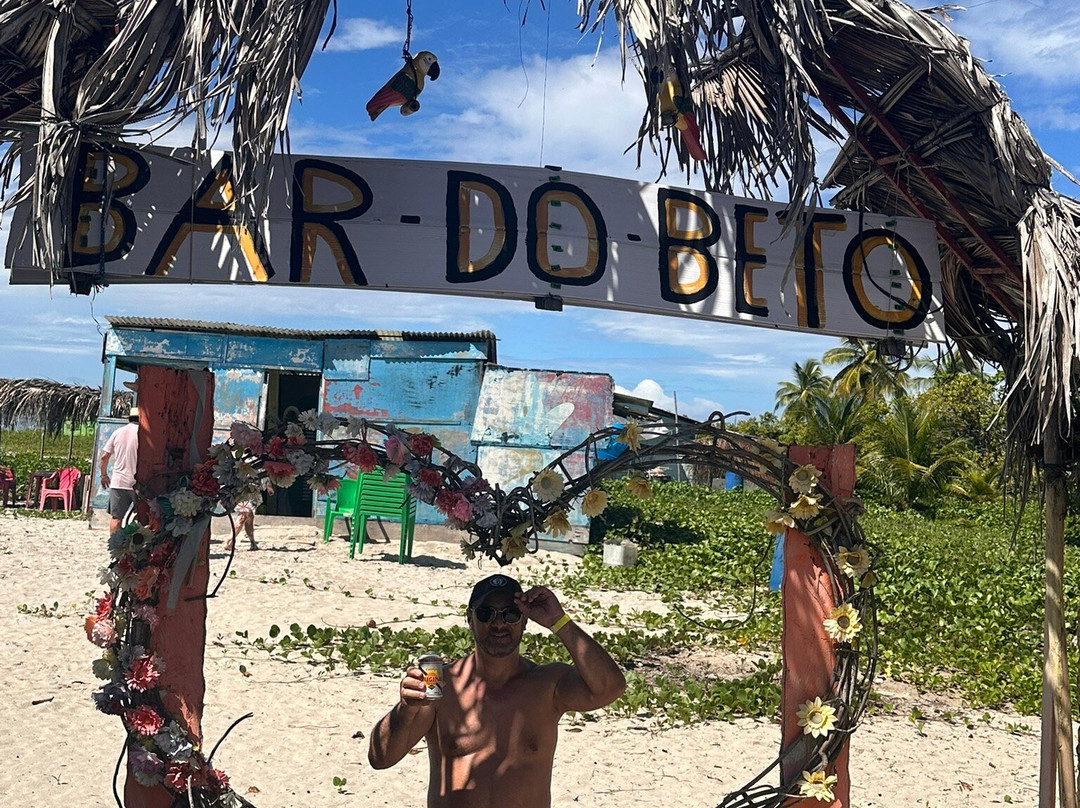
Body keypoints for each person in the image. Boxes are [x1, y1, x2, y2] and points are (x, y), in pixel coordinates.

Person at [368, 574, 626, 807]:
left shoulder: (547, 685)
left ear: (524, 621)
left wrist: (559, 622)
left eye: (510, 614)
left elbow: (610, 687)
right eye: (486, 613)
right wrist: (406, 709)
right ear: (469, 619)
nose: (499, 623)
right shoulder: (441, 687)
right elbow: (381, 758)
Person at [99, 407, 140, 534]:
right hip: (139, 482)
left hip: (119, 481)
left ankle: (114, 544)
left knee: (116, 519)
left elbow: (104, 456)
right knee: (143, 519)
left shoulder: (118, 432)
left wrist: (104, 475)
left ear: (129, 418)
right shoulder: (144, 434)